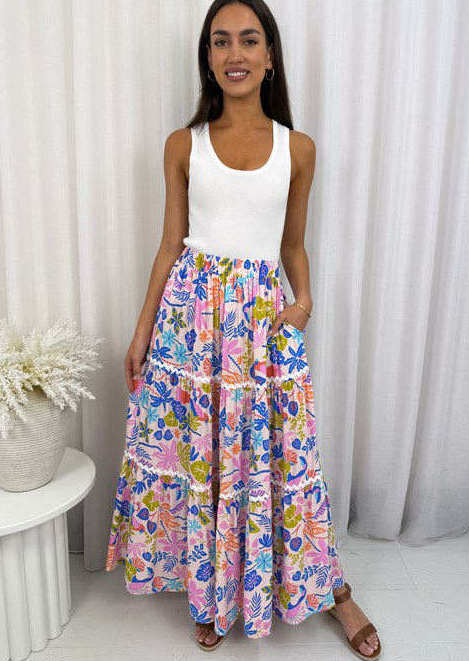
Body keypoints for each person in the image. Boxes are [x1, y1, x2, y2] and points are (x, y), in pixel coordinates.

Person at [105, 0, 381, 657]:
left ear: (269, 56)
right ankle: (214, 593)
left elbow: (292, 245)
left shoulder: (298, 149)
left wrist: (304, 300)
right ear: (207, 57)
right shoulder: (183, 145)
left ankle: (332, 590)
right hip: (191, 325)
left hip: (261, 329)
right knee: (205, 460)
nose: (235, 53)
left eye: (249, 40)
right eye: (221, 41)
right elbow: (170, 244)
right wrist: (142, 330)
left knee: (278, 460)